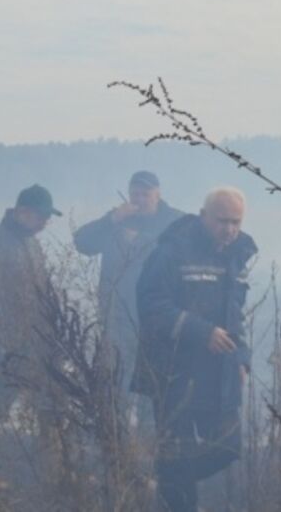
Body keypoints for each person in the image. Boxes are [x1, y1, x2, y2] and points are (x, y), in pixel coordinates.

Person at [133, 187, 256, 512]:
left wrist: (242, 358)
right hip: (174, 372)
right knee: (178, 455)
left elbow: (235, 315)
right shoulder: (171, 251)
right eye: (222, 221)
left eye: (236, 222)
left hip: (219, 374)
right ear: (204, 217)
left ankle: (160, 479)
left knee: (227, 448)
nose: (229, 229)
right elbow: (151, 305)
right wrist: (201, 332)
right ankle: (172, 491)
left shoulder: (237, 253)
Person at [0, 184, 61, 478]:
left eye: (49, 217)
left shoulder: (33, 244)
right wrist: (6, 344)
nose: (46, 222)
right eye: (41, 216)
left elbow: (43, 293)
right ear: (22, 212)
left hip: (38, 346)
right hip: (0, 347)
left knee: (51, 409)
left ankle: (54, 478)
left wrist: (49, 336)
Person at [73, 171, 183, 405]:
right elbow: (82, 242)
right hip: (117, 316)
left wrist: (141, 240)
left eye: (145, 194)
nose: (140, 199)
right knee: (116, 384)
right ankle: (117, 438)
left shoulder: (174, 222)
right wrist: (112, 218)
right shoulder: (116, 221)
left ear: (158, 195)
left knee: (152, 386)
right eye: (135, 194)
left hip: (157, 317)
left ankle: (149, 438)